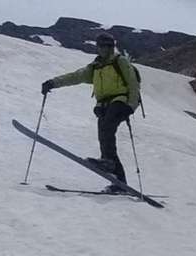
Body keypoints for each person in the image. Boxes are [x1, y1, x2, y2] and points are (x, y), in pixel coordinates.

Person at [40, 33, 142, 193]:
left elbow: (132, 83)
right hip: (103, 105)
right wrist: (53, 83)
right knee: (104, 138)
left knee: (107, 130)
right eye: (100, 46)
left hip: (120, 101)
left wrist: (132, 105)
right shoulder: (95, 66)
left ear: (111, 47)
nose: (103, 49)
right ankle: (119, 183)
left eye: (106, 46)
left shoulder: (120, 61)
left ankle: (108, 163)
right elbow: (76, 76)